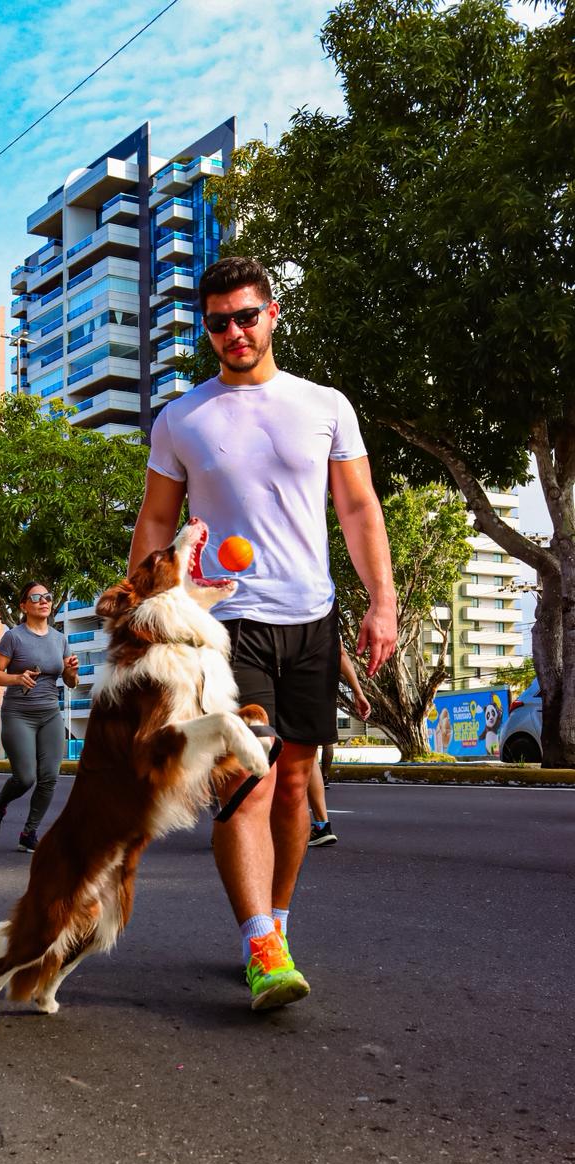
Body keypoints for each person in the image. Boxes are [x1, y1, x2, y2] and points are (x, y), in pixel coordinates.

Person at [128, 256, 396, 1011]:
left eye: (246, 316)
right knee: (250, 783)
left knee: (295, 792)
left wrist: (383, 601)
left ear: (273, 315)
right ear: (206, 329)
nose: (234, 333)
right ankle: (260, 943)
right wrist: (151, 616)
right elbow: (156, 518)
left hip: (311, 615)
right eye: (218, 323)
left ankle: (276, 924)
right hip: (224, 626)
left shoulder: (324, 404)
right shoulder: (182, 417)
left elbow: (359, 508)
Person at [0, 581, 79, 852]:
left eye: (47, 596)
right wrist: (17, 677)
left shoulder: (60, 639)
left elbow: (71, 682)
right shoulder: (14, 636)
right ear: (23, 605)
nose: (43, 601)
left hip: (50, 714)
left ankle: (29, 832)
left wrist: (71, 670)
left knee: (49, 777)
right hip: (18, 714)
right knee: (25, 777)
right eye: (35, 597)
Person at [308, 646, 372, 847]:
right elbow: (341, 652)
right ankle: (321, 824)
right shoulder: (324, 617)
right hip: (323, 694)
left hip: (293, 688)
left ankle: (245, 823)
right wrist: (358, 692)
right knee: (309, 753)